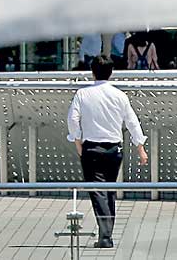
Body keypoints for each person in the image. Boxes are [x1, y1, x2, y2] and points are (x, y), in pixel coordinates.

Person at [67, 55, 148, 249]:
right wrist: (140, 148)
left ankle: (105, 236)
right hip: (114, 149)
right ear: (111, 73)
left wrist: (77, 140)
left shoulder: (82, 94)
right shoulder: (120, 95)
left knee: (97, 191)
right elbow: (132, 122)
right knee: (109, 191)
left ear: (93, 72)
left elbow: (72, 118)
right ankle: (107, 232)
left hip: (91, 148)